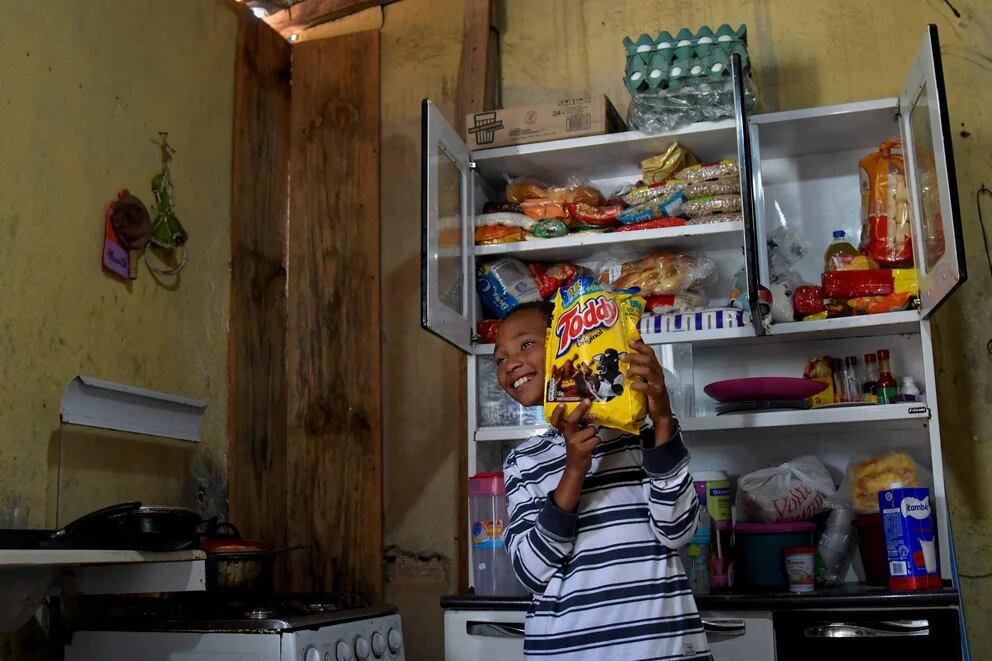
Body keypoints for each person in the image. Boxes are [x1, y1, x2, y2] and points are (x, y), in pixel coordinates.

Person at [496, 301, 710, 660]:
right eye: (499, 360)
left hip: (663, 649)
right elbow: (531, 571)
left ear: (571, 341)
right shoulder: (523, 462)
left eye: (525, 345)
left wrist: (661, 420)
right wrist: (574, 468)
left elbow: (678, 530)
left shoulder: (642, 438)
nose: (510, 363)